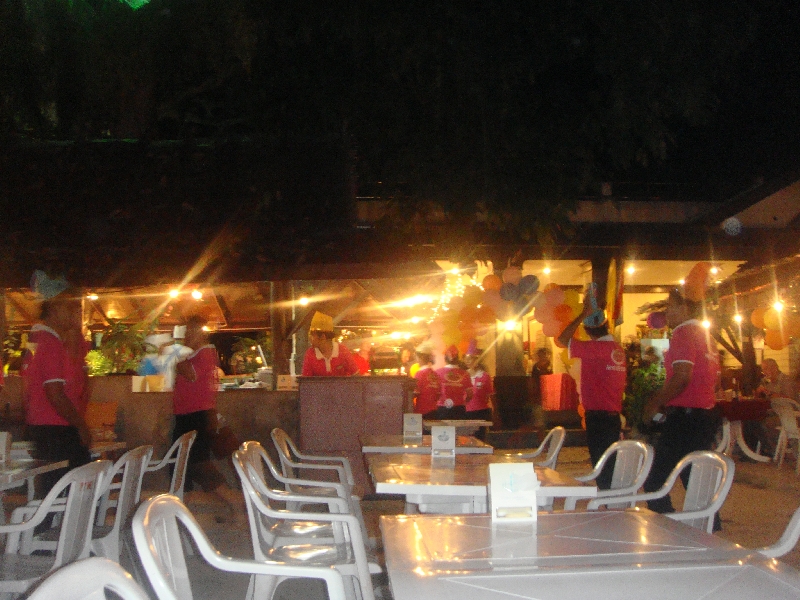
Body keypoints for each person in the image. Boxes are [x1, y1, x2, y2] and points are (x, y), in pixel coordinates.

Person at [642, 289, 721, 520]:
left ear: (685, 309)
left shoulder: (683, 333)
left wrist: (656, 402)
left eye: (670, 307)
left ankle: (669, 527)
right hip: (705, 413)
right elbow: (716, 380)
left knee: (656, 479)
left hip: (686, 417)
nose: (667, 313)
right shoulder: (707, 336)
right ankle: (709, 530)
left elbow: (682, 376)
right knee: (695, 478)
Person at [24, 274, 92, 496]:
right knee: (71, 491)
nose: (74, 312)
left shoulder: (38, 340)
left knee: (55, 491)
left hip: (46, 426)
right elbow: (56, 395)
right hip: (56, 428)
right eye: (69, 307)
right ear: (53, 308)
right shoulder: (49, 343)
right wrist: (80, 425)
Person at [558, 291, 626, 490]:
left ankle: (609, 509)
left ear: (588, 330)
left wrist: (582, 314)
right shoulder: (616, 349)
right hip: (612, 416)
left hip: (599, 418)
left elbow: (562, 339)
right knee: (610, 465)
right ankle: (613, 504)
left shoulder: (596, 350)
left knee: (602, 468)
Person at [172, 315, 237, 518]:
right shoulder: (198, 354)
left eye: (190, 331)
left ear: (199, 333)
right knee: (185, 467)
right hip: (189, 415)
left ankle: (236, 502)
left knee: (197, 465)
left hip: (195, 416)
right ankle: (183, 511)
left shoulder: (205, 354)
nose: (186, 336)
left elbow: (190, 375)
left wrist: (176, 357)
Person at [301, 312, 359, 376]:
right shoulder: (310, 354)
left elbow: (356, 376)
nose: (310, 338)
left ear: (323, 336)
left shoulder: (342, 351)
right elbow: (306, 382)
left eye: (312, 335)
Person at [464, 342, 493, 439]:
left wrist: (494, 412)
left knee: (480, 438)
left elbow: (490, 395)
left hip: (480, 412)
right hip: (466, 413)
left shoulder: (484, 376)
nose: (467, 361)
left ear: (477, 360)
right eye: (466, 358)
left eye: (470, 358)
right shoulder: (463, 376)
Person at [435, 345, 472, 420]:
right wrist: (463, 402)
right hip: (459, 408)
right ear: (457, 358)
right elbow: (470, 394)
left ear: (445, 358)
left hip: (442, 408)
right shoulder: (465, 374)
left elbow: (435, 392)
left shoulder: (437, 372)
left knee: (443, 431)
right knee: (458, 431)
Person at [413, 341, 440, 418]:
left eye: (416, 357)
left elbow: (415, 393)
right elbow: (438, 395)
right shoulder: (435, 374)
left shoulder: (419, 374)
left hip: (422, 411)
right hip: (434, 411)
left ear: (420, 357)